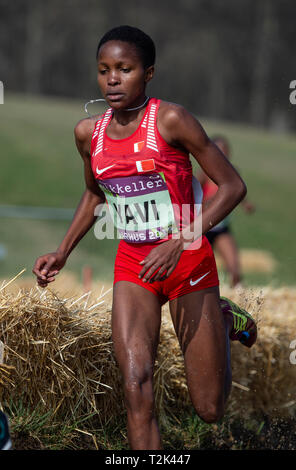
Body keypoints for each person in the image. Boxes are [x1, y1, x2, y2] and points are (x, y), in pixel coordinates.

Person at [32, 26, 257, 450]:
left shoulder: (172, 119)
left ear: (148, 73)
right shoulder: (88, 134)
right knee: (136, 387)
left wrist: (180, 239)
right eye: (103, 70)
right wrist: (63, 251)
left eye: (124, 69)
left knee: (209, 410)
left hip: (187, 258)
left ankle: (224, 318)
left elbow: (232, 186)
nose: (112, 79)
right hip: (134, 264)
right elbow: (95, 193)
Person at [197, 136, 255, 287]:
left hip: (221, 229)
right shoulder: (204, 174)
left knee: (234, 270)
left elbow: (236, 191)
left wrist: (245, 204)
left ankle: (240, 300)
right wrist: (209, 203)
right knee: (195, 271)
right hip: (202, 229)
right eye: (219, 152)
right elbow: (192, 195)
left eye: (225, 152)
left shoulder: (233, 171)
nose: (223, 156)